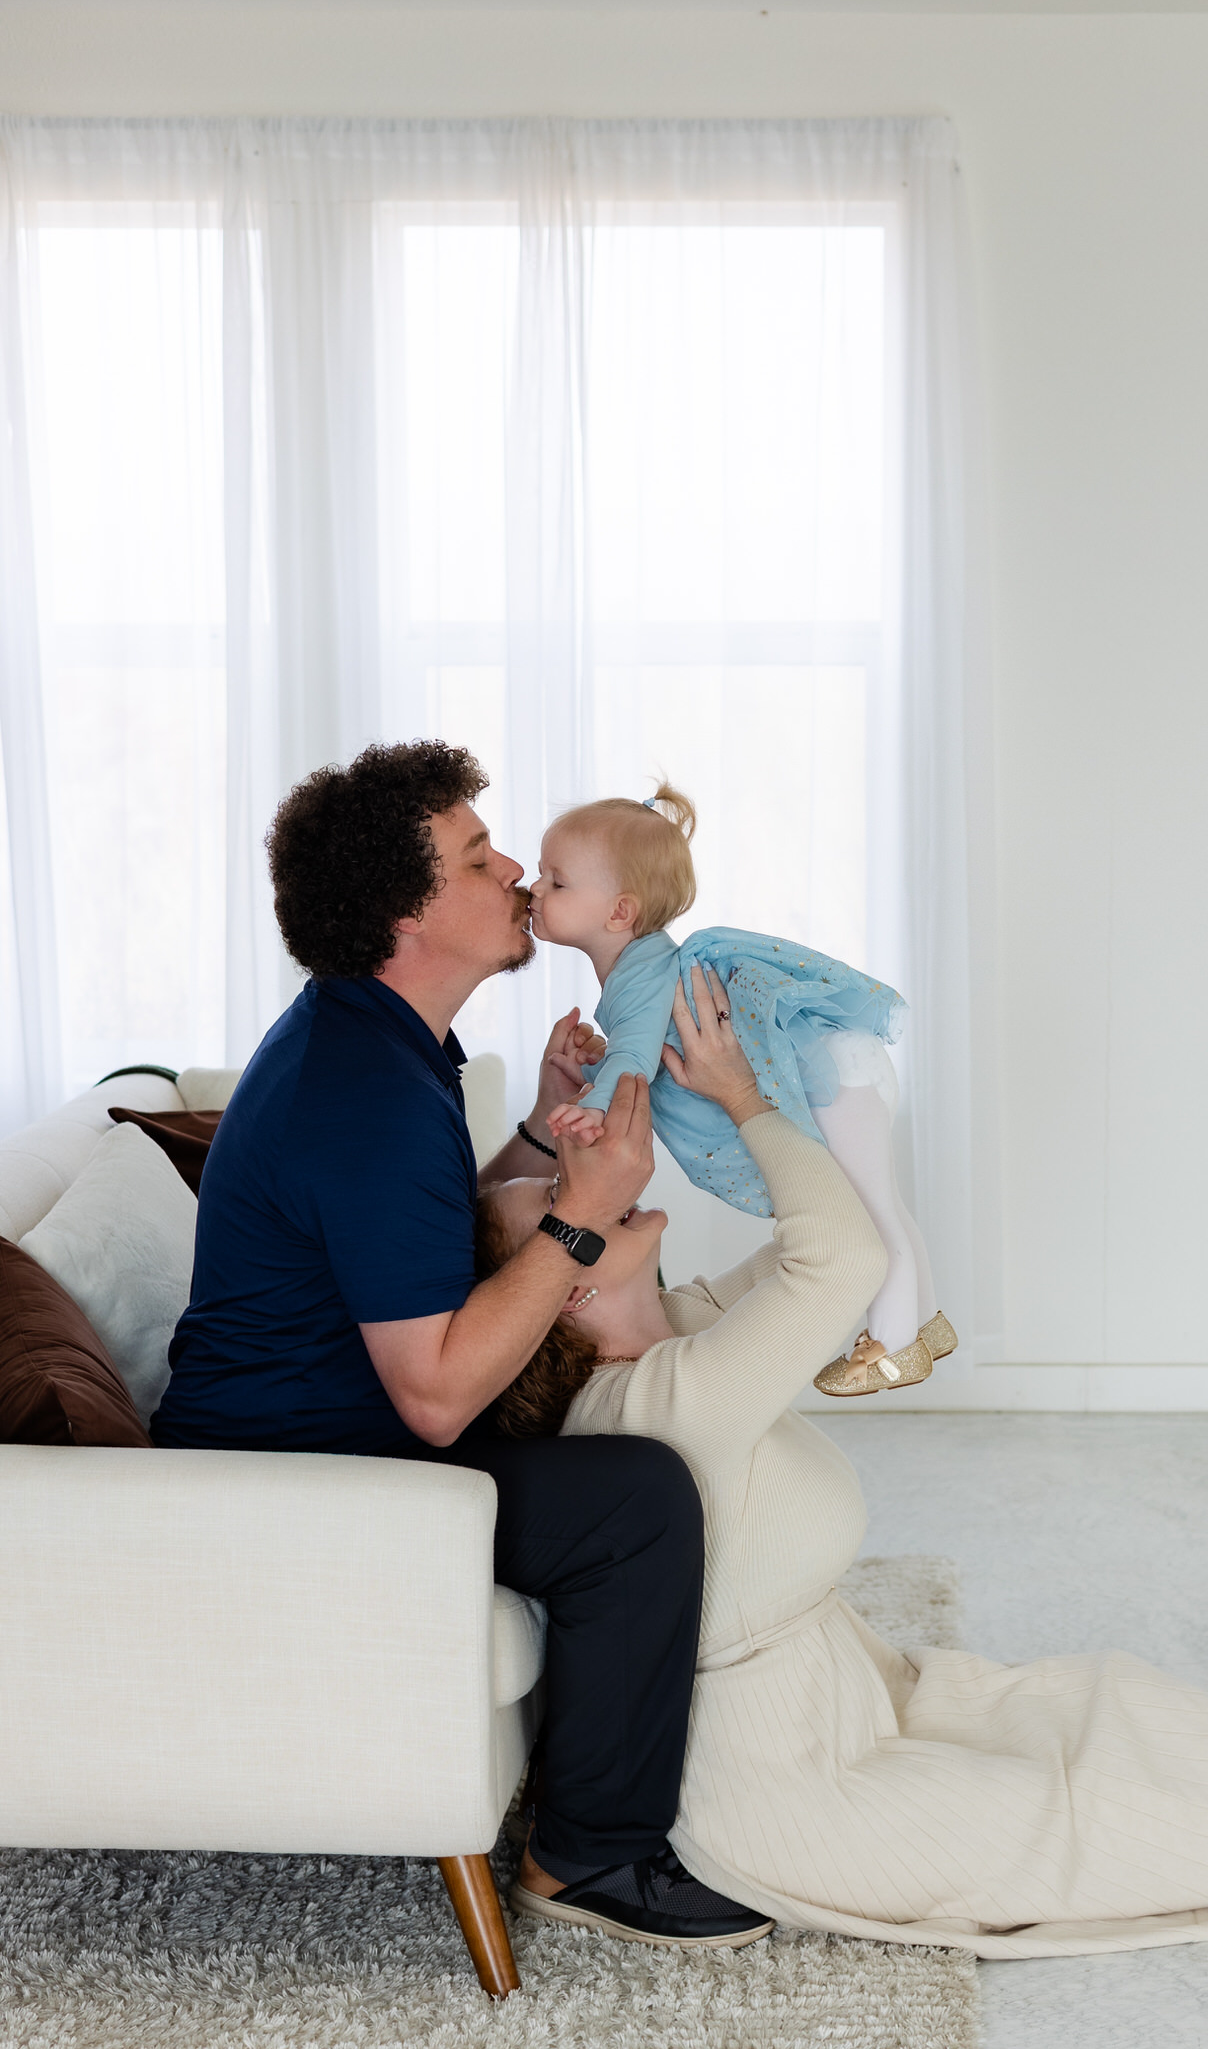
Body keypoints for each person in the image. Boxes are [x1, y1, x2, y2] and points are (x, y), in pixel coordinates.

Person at [478, 967, 1208, 1957]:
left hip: (847, 1703)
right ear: (570, 1288)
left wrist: (738, 1096)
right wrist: (743, 1099)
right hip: (796, 1792)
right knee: (1096, 1813)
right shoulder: (655, 1402)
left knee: (1111, 1707)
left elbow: (824, 1252)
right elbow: (835, 1259)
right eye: (558, 1199)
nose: (588, 1176)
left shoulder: (676, 1330)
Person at [152, 740, 772, 1953]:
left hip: (326, 1427)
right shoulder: (361, 1091)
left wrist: (540, 1137)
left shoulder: (380, 1042)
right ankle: (591, 1853)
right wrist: (583, 1218)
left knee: (627, 1416)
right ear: (407, 910)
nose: (511, 876)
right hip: (298, 1481)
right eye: (479, 859)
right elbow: (435, 1397)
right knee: (637, 1501)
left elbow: (411, 1238)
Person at [524, 786, 953, 1399]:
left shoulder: (638, 973)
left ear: (619, 912)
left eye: (555, 881)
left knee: (871, 1213)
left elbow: (639, 1058)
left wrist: (595, 1101)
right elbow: (644, 1053)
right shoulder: (643, 968)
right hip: (842, 1062)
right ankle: (926, 1326)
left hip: (832, 1071)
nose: (535, 889)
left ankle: (890, 1345)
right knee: (882, 1202)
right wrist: (604, 1071)